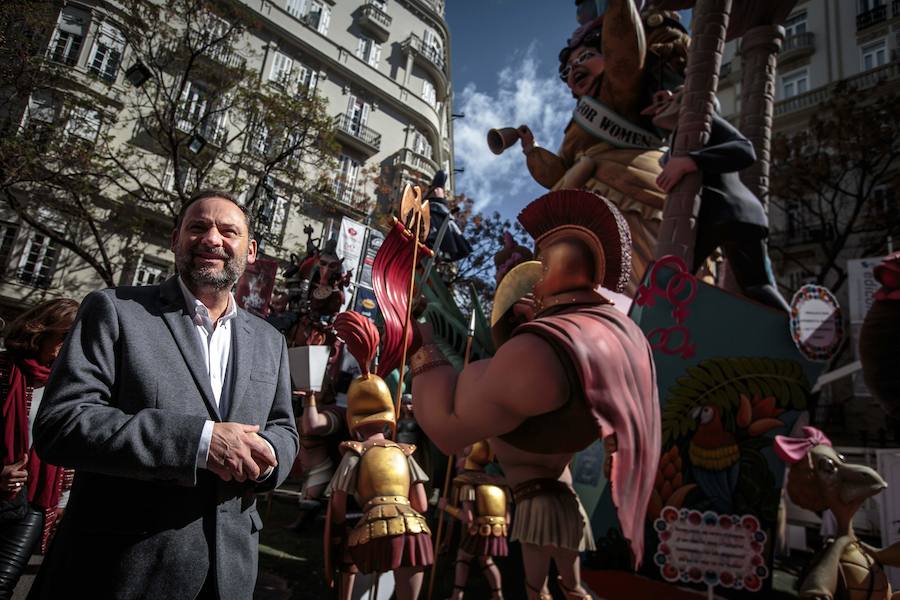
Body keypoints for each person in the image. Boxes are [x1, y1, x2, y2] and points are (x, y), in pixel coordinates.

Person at [29, 189, 299, 600]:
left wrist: (264, 459)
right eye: (198, 227)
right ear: (175, 240)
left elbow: (285, 430)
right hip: (121, 571)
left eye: (229, 231)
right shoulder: (114, 310)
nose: (213, 239)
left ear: (251, 250)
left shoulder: (270, 340)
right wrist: (201, 442)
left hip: (228, 576)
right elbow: (61, 424)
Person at [411, 189, 660, 600]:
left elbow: (448, 427)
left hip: (537, 497)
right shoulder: (626, 339)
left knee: (535, 588)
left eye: (534, 264)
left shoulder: (533, 355)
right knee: (570, 586)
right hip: (562, 495)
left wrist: (421, 343)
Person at [516, 0, 685, 292]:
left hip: (636, 194)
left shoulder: (621, 85)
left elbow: (624, 54)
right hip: (586, 211)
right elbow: (559, 172)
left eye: (586, 57)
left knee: (642, 294)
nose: (574, 70)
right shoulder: (578, 124)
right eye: (568, 68)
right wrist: (531, 149)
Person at [641, 87, 790, 311]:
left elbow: (744, 149)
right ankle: (794, 334)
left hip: (720, 212)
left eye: (676, 96)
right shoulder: (674, 142)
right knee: (756, 286)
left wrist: (691, 161)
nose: (664, 101)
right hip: (736, 215)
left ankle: (794, 335)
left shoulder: (703, 121)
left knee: (672, 275)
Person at [0, 299, 78, 599]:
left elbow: (68, 446)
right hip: (4, 487)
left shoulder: (67, 384)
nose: (66, 349)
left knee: (4, 583)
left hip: (33, 501)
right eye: (63, 338)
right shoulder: (6, 369)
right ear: (41, 331)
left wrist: (63, 500)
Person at [437, 440, 510, 600]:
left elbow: (467, 518)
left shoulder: (467, 484)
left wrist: (446, 507)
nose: (458, 462)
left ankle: (457, 595)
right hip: (497, 530)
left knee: (463, 558)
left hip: (477, 529)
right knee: (486, 561)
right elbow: (507, 517)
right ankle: (497, 595)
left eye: (462, 456)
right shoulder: (498, 485)